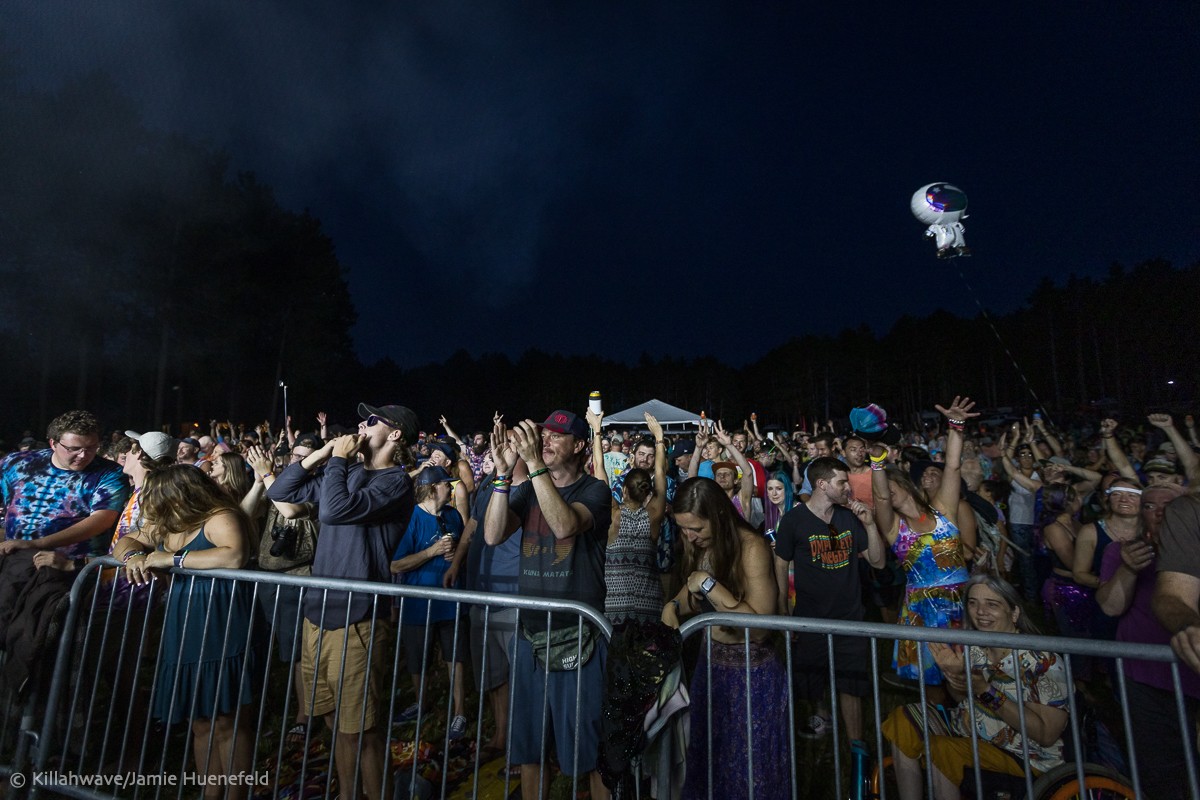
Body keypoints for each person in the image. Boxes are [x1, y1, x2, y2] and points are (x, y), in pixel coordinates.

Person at [266, 402, 418, 800]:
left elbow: (334, 511)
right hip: (320, 611)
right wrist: (320, 453)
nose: (361, 425)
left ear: (395, 434)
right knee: (334, 722)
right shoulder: (347, 470)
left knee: (362, 730)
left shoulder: (395, 482)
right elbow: (280, 491)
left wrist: (335, 461)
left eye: (371, 421)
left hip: (359, 617)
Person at [482, 409, 612, 800]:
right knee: (528, 746)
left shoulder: (595, 491)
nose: (547, 441)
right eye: (544, 436)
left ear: (580, 445)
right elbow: (491, 535)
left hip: (579, 635)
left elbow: (564, 526)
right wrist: (504, 475)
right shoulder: (527, 489)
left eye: (557, 436)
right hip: (532, 632)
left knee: (590, 750)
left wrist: (535, 464)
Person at [113, 465, 258, 800]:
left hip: (221, 617)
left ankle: (237, 794)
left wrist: (170, 559)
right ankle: (210, 793)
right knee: (200, 720)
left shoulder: (220, 516)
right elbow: (128, 541)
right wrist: (135, 555)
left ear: (179, 495)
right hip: (185, 618)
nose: (150, 504)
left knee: (227, 719)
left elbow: (233, 556)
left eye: (156, 496)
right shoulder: (171, 520)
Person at [882, 575, 1069, 800]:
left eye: (992, 604)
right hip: (970, 734)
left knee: (944, 749)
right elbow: (961, 698)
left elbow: (1046, 735)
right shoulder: (975, 649)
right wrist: (956, 676)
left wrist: (986, 691)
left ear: (1015, 613)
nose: (980, 611)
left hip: (1024, 756)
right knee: (905, 718)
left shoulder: (1042, 661)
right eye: (973, 602)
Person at [661, 477, 786, 800]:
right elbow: (692, 593)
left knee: (749, 768)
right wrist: (674, 605)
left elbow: (760, 627)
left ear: (717, 515)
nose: (689, 536)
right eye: (683, 528)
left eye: (696, 529)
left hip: (752, 676)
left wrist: (708, 585)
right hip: (711, 667)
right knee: (710, 761)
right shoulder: (701, 544)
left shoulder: (751, 547)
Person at [773, 457, 884, 746]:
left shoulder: (848, 517)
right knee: (811, 678)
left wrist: (870, 525)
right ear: (822, 484)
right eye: (841, 482)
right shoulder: (794, 520)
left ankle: (856, 748)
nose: (848, 487)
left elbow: (878, 561)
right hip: (810, 618)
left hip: (850, 617)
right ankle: (822, 717)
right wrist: (784, 610)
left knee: (851, 683)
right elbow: (780, 565)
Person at [1098, 483, 1196, 799]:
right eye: (1149, 506)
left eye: (1170, 506)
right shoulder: (1121, 551)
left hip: (1193, 678)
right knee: (1160, 771)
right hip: (1145, 679)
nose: (1159, 513)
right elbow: (1111, 606)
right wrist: (1128, 569)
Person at [872, 396, 975, 691]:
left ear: (904, 485)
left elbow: (952, 468)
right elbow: (879, 497)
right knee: (932, 686)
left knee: (969, 680)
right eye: (882, 493)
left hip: (961, 603)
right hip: (923, 611)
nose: (886, 495)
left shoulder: (943, 510)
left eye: (890, 488)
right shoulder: (894, 529)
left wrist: (955, 427)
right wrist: (877, 464)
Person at [389, 465, 469, 739]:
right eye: (447, 483)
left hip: (450, 599)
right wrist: (431, 551)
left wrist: (456, 554)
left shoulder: (453, 515)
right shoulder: (410, 518)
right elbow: (396, 564)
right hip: (419, 601)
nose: (451, 487)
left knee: (455, 656)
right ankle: (421, 703)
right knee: (417, 658)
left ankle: (459, 712)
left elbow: (462, 550)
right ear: (434, 488)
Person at [0, 410, 129, 564]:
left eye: (91, 448)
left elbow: (102, 520)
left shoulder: (110, 473)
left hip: (69, 564)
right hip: (14, 557)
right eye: (74, 448)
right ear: (53, 443)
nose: (83, 455)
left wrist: (36, 544)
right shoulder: (15, 463)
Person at [595, 412, 667, 624]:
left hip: (615, 610)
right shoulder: (653, 516)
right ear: (648, 494)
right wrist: (659, 438)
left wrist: (597, 431)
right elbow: (661, 473)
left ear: (624, 491)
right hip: (650, 609)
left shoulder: (614, 516)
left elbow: (599, 469)